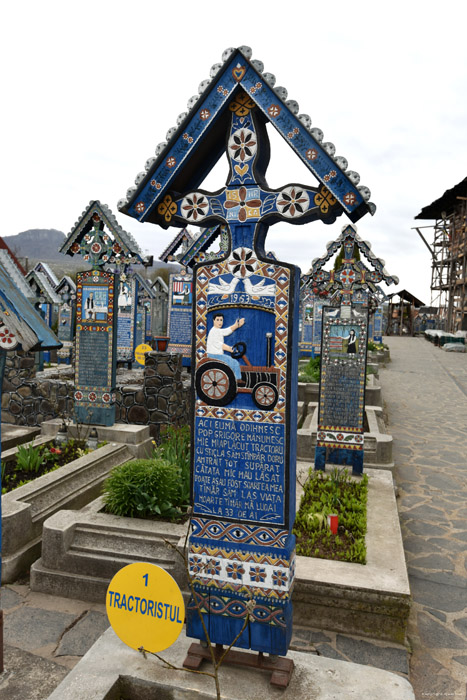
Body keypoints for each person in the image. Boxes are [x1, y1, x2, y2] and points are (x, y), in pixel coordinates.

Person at [206, 313, 245, 379]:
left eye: (221, 320)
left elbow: (226, 331)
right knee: (235, 363)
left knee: (233, 362)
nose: (219, 322)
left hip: (217, 355)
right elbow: (220, 345)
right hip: (214, 356)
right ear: (213, 321)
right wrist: (230, 349)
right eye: (217, 320)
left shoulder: (217, 330)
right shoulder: (213, 331)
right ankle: (237, 380)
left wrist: (236, 325)